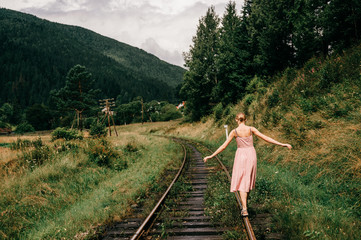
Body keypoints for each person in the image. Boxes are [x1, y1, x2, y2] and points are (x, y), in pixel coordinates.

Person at [203, 113, 292, 217]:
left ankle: (244, 208)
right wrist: (282, 144)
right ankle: (245, 206)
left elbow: (223, 146)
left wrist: (211, 156)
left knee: (241, 180)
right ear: (246, 119)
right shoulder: (251, 129)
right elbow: (266, 138)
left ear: (237, 120)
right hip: (251, 155)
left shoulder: (234, 132)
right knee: (247, 180)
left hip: (240, 155)